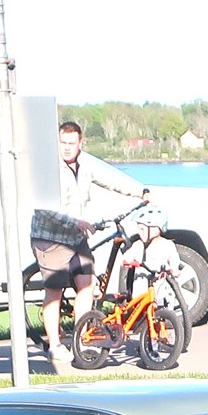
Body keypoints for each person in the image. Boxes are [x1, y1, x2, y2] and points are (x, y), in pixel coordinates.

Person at [42, 119, 148, 355]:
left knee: (87, 284)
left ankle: (80, 338)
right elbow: (44, 208)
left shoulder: (86, 164)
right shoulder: (49, 168)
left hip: (75, 236)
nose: (66, 147)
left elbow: (112, 180)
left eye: (71, 143)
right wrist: (75, 222)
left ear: (80, 143)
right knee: (55, 291)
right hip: (51, 236)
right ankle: (55, 345)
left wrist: (141, 191)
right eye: (62, 142)